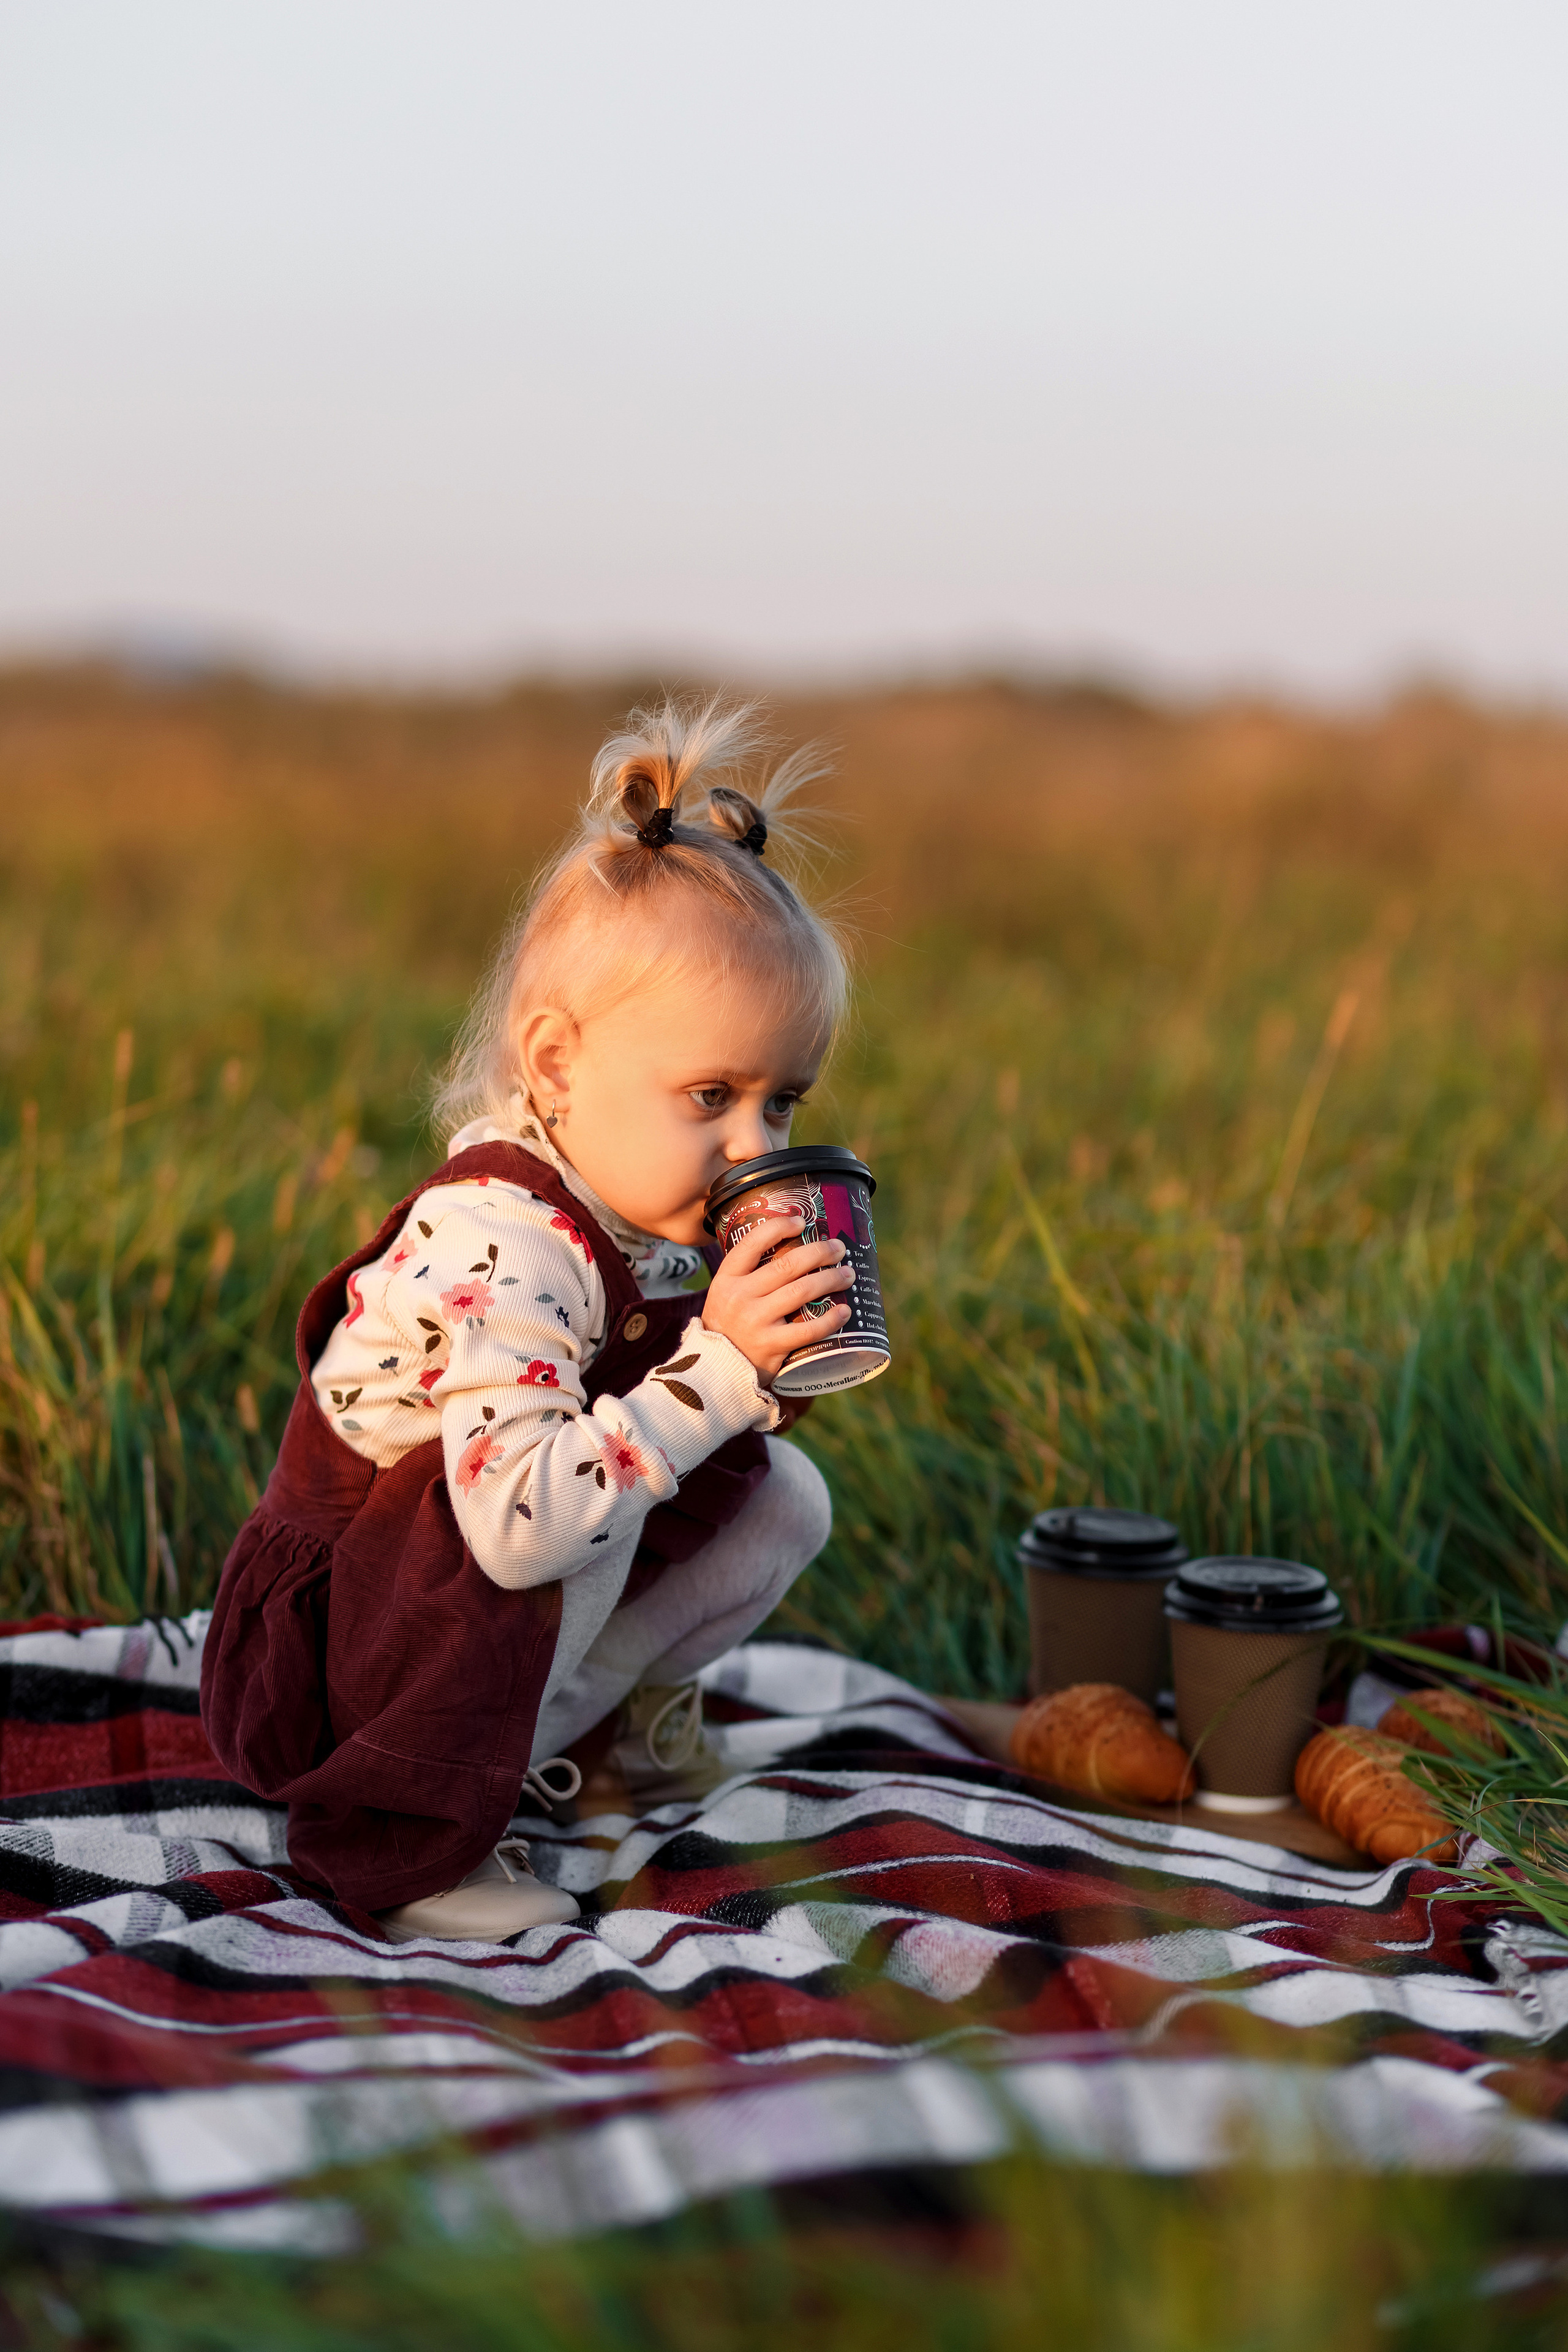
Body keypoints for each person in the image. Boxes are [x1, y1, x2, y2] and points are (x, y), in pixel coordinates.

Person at [200, 700, 851, 1945]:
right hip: (343, 1649)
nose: (749, 1146)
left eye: (780, 1105)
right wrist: (717, 1368)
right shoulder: (506, 1241)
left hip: (449, 1598)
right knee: (584, 1510)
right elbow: (514, 1530)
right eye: (709, 1096)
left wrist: (764, 1347)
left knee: (783, 1496)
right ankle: (410, 1833)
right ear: (553, 1066)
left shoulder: (639, 1209)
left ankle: (585, 1739)